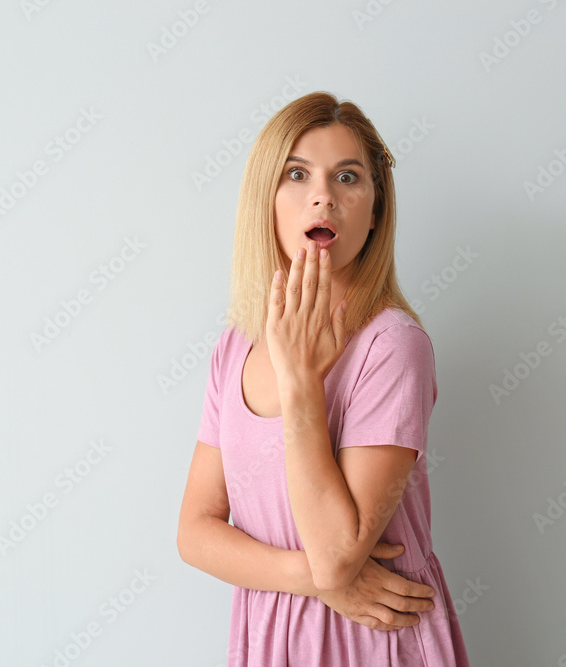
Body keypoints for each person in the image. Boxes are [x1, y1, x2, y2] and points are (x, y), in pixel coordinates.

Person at [177, 91, 470, 666]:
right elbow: (195, 531)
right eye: (296, 173)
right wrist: (308, 579)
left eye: (347, 177)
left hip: (375, 641)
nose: (323, 196)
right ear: (266, 199)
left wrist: (302, 384)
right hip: (271, 637)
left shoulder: (393, 346)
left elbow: (337, 555)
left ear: (375, 207)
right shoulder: (234, 346)